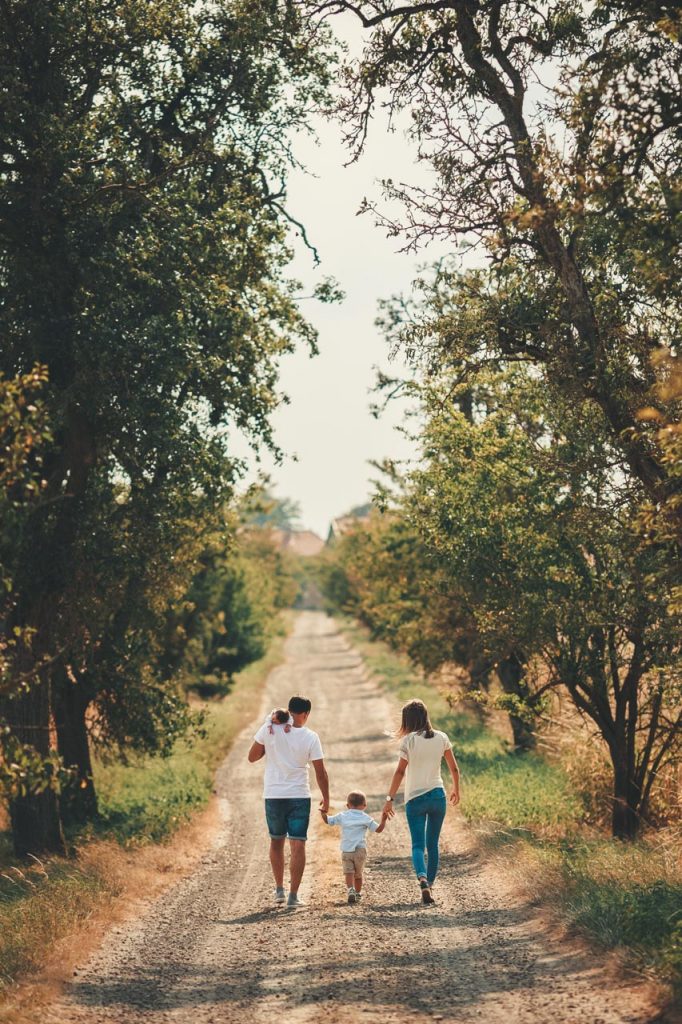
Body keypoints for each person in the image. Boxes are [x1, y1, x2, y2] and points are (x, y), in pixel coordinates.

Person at [248, 695, 329, 908]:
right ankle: (294, 896)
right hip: (299, 795)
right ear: (305, 714)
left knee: (276, 841)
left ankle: (279, 890)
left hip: (273, 794)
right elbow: (320, 772)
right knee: (298, 843)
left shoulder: (269, 729)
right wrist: (326, 798)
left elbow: (252, 757)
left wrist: (268, 734)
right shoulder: (311, 736)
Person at [382, 698, 460, 905]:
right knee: (432, 844)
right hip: (437, 795)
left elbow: (400, 771)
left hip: (415, 798)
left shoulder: (409, 741)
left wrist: (389, 799)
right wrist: (456, 789)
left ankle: (423, 879)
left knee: (417, 845)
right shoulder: (442, 737)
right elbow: (454, 768)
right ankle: (430, 886)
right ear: (426, 716)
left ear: (407, 721)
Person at [321, 790, 389, 904]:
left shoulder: (342, 815)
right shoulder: (366, 817)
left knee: (348, 873)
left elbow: (328, 820)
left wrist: (323, 811)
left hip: (347, 851)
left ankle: (350, 890)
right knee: (358, 875)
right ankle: (357, 893)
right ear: (364, 806)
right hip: (360, 851)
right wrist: (383, 820)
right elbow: (379, 830)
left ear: (348, 805)